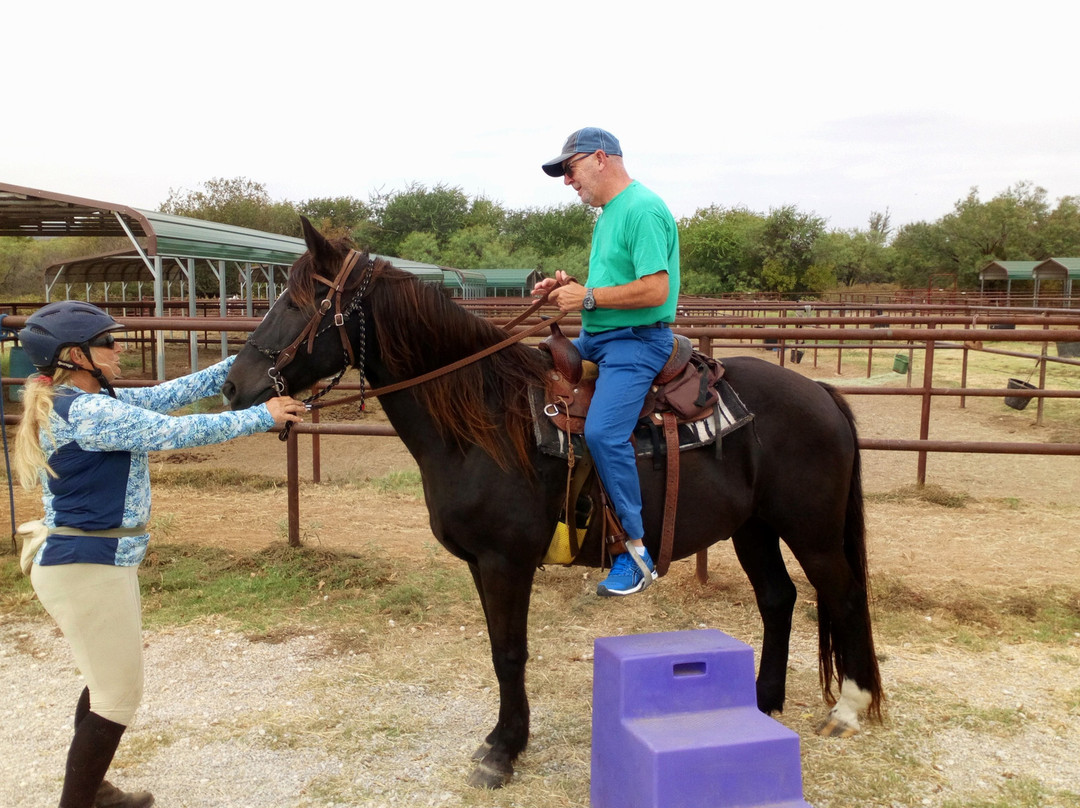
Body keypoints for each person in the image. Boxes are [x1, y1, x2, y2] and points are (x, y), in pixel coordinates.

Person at [13, 301, 304, 808]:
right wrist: (262, 415)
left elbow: (164, 396)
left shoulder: (78, 399)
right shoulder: (89, 410)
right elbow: (172, 431)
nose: (118, 347)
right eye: (107, 342)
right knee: (117, 698)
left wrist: (245, 362)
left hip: (94, 561)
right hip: (87, 567)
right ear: (75, 355)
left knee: (105, 683)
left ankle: (94, 790)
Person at [533, 127, 681, 597]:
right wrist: (569, 291)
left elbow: (656, 289)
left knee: (602, 431)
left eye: (569, 169)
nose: (567, 180)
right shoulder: (608, 215)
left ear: (600, 158)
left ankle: (635, 552)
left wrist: (588, 296)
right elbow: (611, 290)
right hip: (599, 339)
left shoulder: (642, 209)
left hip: (636, 343)